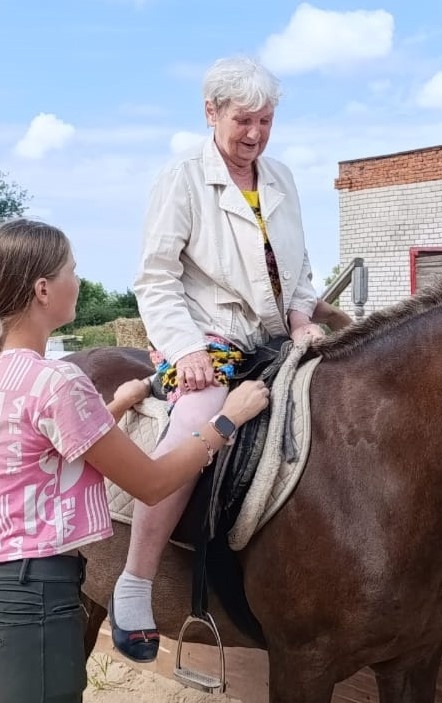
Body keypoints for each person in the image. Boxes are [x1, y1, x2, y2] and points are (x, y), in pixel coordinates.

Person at [0, 217, 269, 703]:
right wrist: (227, 420)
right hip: (37, 618)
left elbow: (43, 450)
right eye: (72, 270)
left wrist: (116, 404)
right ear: (43, 290)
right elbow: (153, 483)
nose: (79, 280)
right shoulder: (57, 381)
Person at [110, 55, 337, 661]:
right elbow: (156, 276)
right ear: (210, 112)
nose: (255, 134)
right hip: (207, 336)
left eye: (265, 121)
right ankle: (135, 580)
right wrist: (186, 349)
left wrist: (301, 316)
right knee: (200, 412)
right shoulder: (182, 178)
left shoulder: (282, 178)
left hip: (277, 336)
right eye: (243, 121)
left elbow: (299, 269)